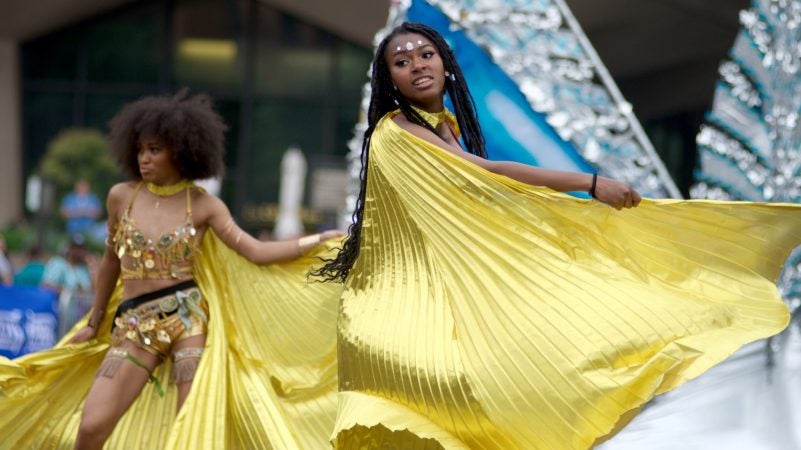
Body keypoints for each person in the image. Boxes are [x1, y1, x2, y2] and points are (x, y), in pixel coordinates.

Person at [316, 23, 801, 449]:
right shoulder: (396, 130)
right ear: (390, 81)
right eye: (402, 62)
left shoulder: (444, 127)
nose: (417, 65)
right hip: (398, 318)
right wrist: (589, 185)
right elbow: (487, 173)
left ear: (445, 64)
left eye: (426, 54)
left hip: (425, 309)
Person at [0, 91, 344, 449]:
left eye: (155, 150)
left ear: (182, 151)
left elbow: (255, 251)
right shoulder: (122, 196)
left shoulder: (204, 205)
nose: (144, 159)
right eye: (141, 149)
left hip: (188, 320)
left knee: (191, 425)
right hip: (134, 324)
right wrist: (93, 321)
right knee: (91, 427)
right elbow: (110, 262)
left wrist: (316, 240)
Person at [41, 235, 94, 336]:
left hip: (78, 317)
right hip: (59, 314)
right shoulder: (58, 263)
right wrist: (65, 291)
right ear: (69, 249)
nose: (78, 252)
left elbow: (92, 290)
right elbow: (45, 286)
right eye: (75, 248)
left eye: (81, 249)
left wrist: (91, 266)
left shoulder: (83, 269)